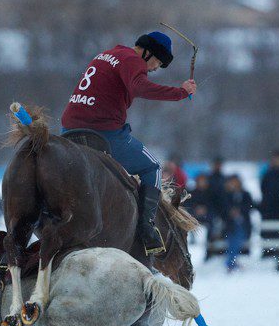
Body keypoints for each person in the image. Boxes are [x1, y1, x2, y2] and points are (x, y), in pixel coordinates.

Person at [59, 30, 196, 255]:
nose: (154, 69)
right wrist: (180, 92)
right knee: (152, 167)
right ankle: (146, 229)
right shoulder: (133, 61)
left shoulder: (108, 54)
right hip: (102, 133)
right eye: (157, 62)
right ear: (148, 52)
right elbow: (140, 88)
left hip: (68, 130)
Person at [222, 175, 255, 272]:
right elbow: (223, 208)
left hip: (243, 225)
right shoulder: (227, 195)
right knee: (233, 240)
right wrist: (230, 212)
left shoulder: (245, 194)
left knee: (236, 240)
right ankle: (231, 262)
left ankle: (230, 262)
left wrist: (239, 211)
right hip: (230, 226)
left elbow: (249, 207)